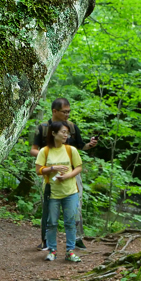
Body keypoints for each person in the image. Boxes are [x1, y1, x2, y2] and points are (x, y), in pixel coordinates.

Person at [30, 98, 97, 250]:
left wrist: (90, 145)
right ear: (55, 111)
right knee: (49, 205)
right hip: (50, 173)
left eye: (69, 112)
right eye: (64, 112)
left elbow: (81, 147)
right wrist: (48, 157)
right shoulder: (43, 128)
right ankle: (45, 240)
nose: (67, 114)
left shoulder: (72, 128)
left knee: (76, 205)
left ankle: (77, 239)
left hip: (72, 173)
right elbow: (34, 149)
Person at [35, 121, 84, 262]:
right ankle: (52, 250)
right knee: (52, 223)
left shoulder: (71, 150)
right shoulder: (45, 151)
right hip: (52, 193)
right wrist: (52, 168)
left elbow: (78, 167)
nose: (65, 135)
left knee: (70, 222)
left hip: (70, 192)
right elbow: (38, 170)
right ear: (53, 133)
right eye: (63, 132)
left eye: (67, 132)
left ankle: (70, 251)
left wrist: (67, 176)